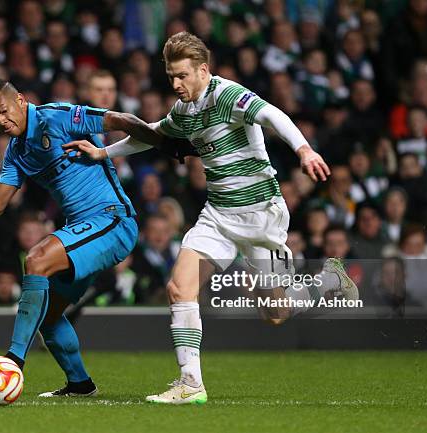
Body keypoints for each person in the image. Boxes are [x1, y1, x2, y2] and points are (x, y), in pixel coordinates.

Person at [66, 32, 359, 405]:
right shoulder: (184, 111)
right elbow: (154, 135)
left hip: (261, 218)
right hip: (218, 215)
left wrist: (303, 148)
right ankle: (190, 383)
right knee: (179, 289)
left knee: (276, 311)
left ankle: (331, 277)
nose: (176, 84)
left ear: (203, 70)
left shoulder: (227, 95)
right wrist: (103, 152)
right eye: (171, 76)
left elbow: (272, 114)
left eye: (183, 75)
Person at [0, 79, 182, 398]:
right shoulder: (16, 153)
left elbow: (120, 120)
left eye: (4, 111)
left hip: (113, 220)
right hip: (86, 231)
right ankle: (80, 384)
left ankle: (12, 362)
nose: (2, 122)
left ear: (20, 101)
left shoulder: (58, 116)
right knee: (48, 316)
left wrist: (166, 143)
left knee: (36, 259)